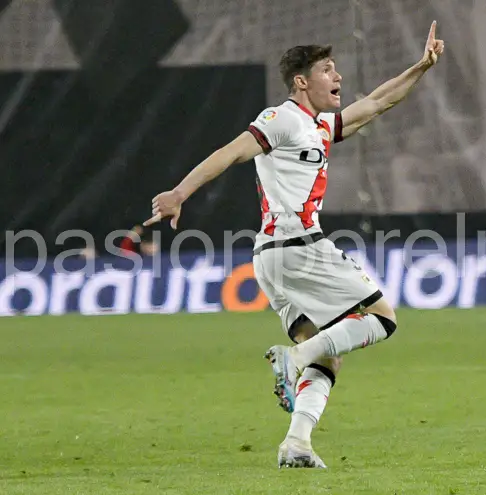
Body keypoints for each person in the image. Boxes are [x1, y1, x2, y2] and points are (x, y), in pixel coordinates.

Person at [143, 23, 445, 468]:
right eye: (327, 69)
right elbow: (230, 152)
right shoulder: (281, 118)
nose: (338, 77)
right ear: (301, 82)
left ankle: (297, 444)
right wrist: (179, 193)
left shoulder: (320, 124)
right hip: (299, 247)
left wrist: (420, 67)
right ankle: (294, 357)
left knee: (329, 354)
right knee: (383, 318)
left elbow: (378, 102)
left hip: (273, 260)